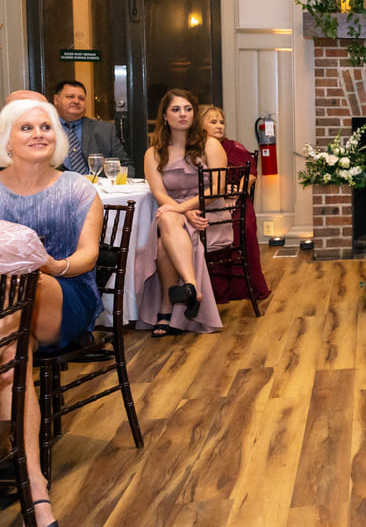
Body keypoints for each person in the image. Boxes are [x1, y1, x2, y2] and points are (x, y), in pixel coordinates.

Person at [0, 98, 105, 527]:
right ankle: (33, 486)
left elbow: (88, 256)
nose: (39, 133)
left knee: (24, 290)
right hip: (8, 323)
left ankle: (32, 488)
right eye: (27, 128)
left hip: (64, 295)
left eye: (46, 126)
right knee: (11, 354)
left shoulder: (79, 189)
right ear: (7, 139)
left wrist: (49, 264)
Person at [133, 89, 227, 336]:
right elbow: (159, 193)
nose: (182, 114)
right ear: (164, 116)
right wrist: (183, 213)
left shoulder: (210, 145)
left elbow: (217, 189)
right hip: (176, 213)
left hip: (209, 213)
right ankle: (190, 285)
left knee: (164, 237)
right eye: (175, 109)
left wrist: (185, 209)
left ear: (194, 114)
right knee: (166, 220)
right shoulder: (153, 153)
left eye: (188, 109)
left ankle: (166, 309)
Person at [199, 105, 270, 303]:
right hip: (207, 201)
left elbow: (251, 173)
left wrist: (238, 190)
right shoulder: (193, 150)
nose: (219, 126)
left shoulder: (233, 146)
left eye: (221, 122)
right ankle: (211, 290)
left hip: (237, 200)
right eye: (213, 122)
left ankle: (243, 286)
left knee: (242, 225)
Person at [52, 79, 131, 174]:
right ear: (56, 100)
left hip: (97, 186)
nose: (76, 101)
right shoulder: (45, 130)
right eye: (70, 97)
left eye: (81, 98)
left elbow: (124, 166)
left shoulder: (105, 130)